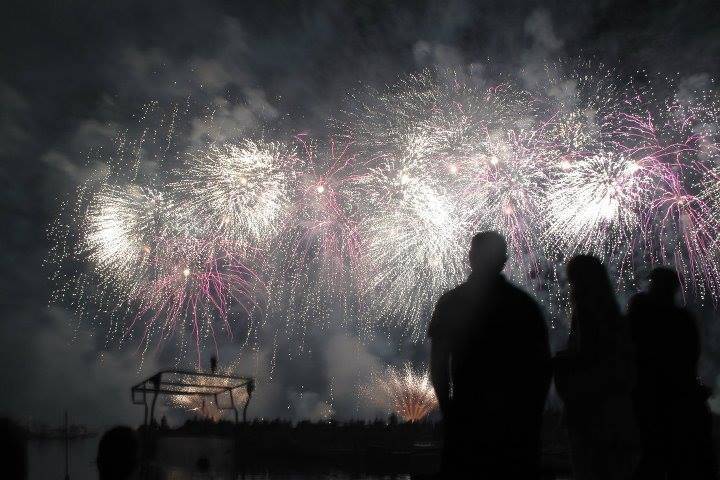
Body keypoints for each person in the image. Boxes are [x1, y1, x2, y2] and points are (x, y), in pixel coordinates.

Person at [429, 231, 551, 477]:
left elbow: (438, 365)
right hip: (515, 424)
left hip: (467, 416)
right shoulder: (523, 305)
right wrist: (531, 417)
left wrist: (449, 412)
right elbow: (542, 369)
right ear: (504, 260)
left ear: (470, 258)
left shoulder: (451, 302)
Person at [554, 255, 637, 480]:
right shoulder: (614, 315)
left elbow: (587, 354)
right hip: (615, 409)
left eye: (572, 280)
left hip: (590, 409)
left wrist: (559, 361)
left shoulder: (585, 310)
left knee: (589, 469)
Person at [628, 267, 717, 479]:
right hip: (678, 396)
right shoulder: (683, 319)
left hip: (651, 397)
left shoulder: (640, 317)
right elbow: (690, 358)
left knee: (652, 458)